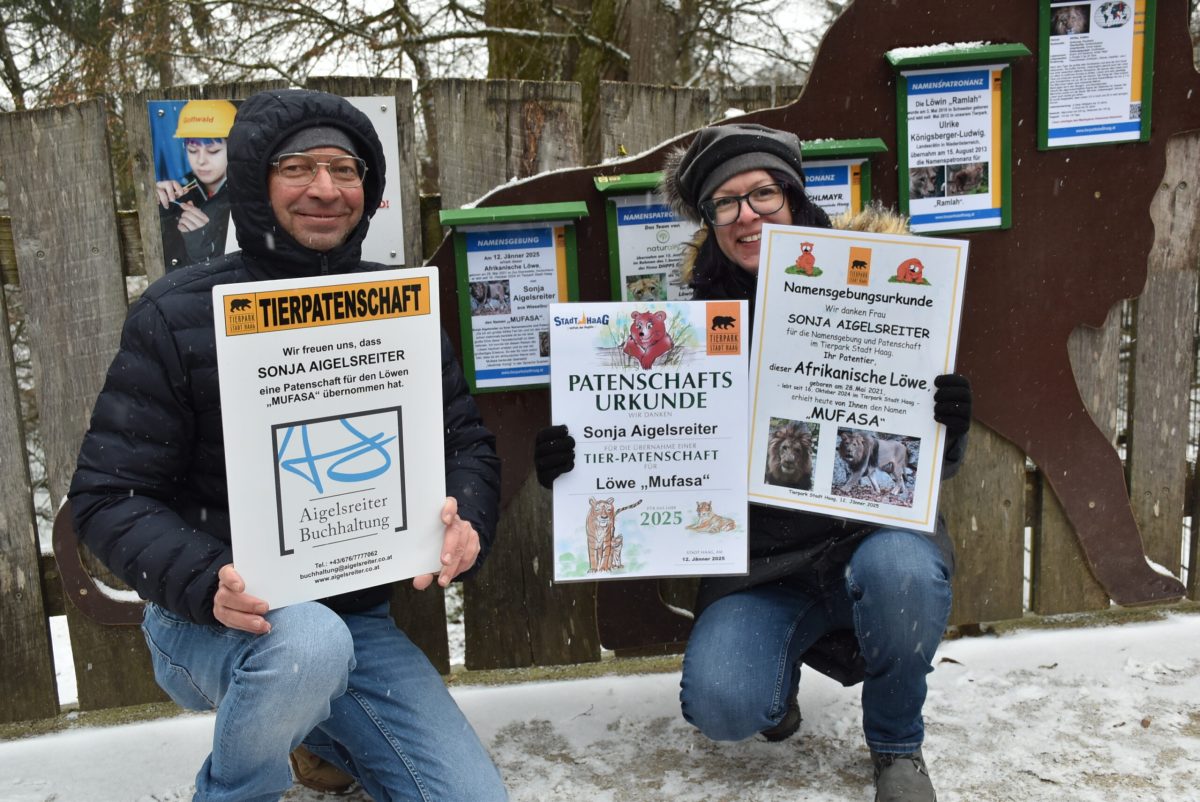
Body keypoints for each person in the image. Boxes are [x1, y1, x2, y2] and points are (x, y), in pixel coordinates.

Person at [71, 89, 508, 802]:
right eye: (297, 167)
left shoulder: (400, 308)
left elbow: (466, 443)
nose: (325, 189)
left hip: (353, 621)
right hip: (211, 620)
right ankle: (238, 785)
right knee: (307, 646)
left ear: (368, 190)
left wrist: (470, 520)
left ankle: (305, 724)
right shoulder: (176, 315)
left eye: (345, 168)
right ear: (254, 181)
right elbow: (108, 496)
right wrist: (209, 581)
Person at [534, 123, 973, 802]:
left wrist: (948, 423)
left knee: (902, 573)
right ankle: (775, 685)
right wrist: (577, 460)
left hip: (872, 542)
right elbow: (651, 451)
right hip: (762, 568)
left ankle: (896, 746)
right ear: (709, 222)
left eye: (763, 192)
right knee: (724, 705)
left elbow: (928, 470)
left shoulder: (882, 293)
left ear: (792, 198)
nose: (748, 214)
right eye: (725, 203)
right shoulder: (691, 332)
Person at [156, 99, 235, 270]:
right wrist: (161, 211)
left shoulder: (248, 196)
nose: (200, 161)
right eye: (192, 150)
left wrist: (205, 244)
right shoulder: (178, 190)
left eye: (213, 151)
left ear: (234, 147)